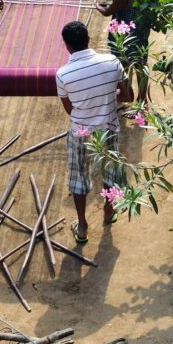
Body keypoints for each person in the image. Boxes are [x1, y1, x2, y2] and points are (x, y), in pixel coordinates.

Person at [56, 21, 129, 244]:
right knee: (110, 172)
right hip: (108, 128)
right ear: (88, 40)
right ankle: (108, 212)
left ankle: (83, 227)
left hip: (80, 130)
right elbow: (127, 96)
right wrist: (107, 96)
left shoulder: (63, 74)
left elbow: (70, 110)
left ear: (67, 46)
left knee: (79, 176)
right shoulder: (112, 61)